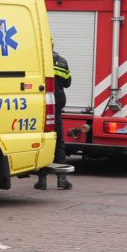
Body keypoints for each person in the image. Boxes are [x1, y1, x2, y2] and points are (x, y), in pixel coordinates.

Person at [36, 47, 73, 190]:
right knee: (59, 142)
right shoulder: (62, 62)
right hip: (57, 106)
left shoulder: (38, 60)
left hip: (41, 106)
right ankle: (62, 179)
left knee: (42, 140)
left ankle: (42, 180)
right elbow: (68, 83)